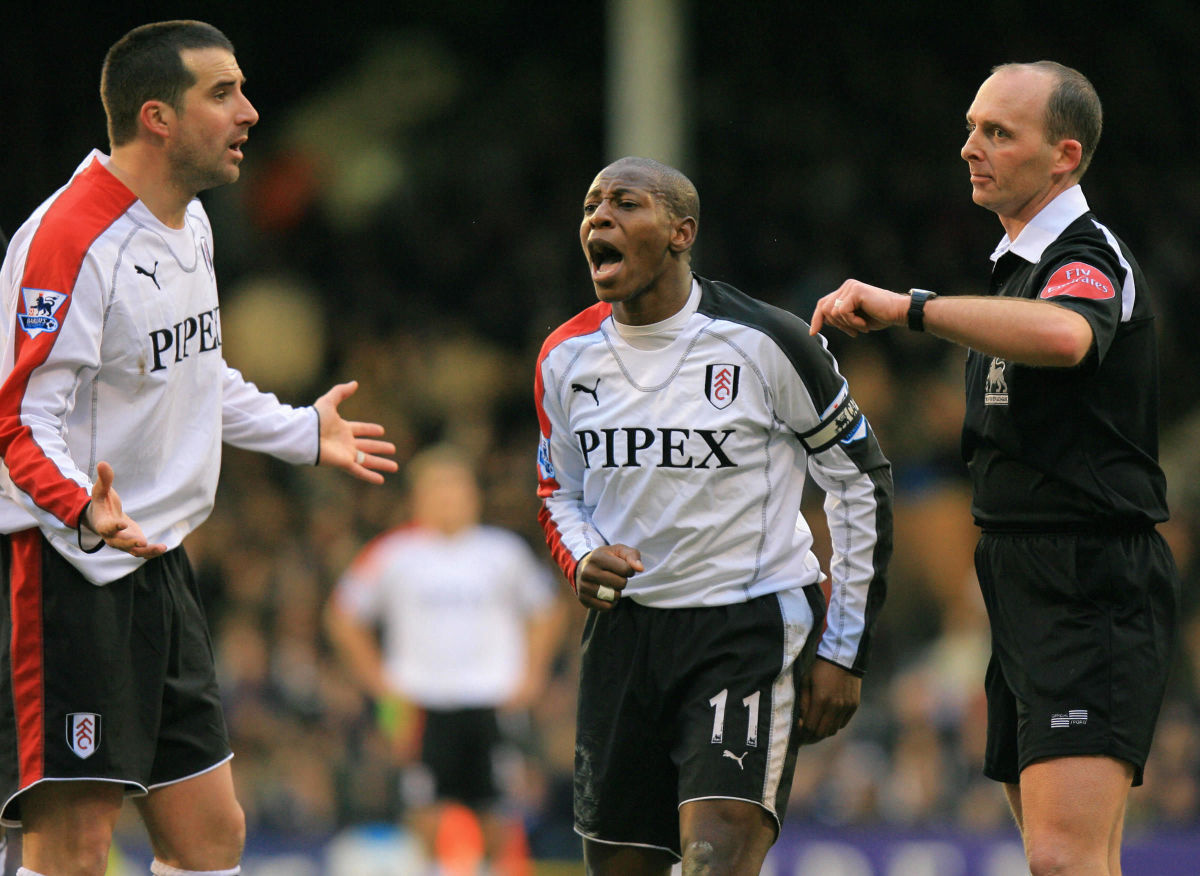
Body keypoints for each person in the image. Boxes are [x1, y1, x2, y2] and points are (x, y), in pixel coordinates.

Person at [0, 20, 397, 876]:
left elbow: (197, 376)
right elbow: (17, 423)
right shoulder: (69, 240)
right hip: (67, 572)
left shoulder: (191, 225)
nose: (249, 112)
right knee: (72, 844)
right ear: (157, 118)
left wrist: (301, 431)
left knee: (212, 837)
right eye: (223, 93)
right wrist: (81, 508)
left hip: (159, 567)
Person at [810, 61, 1179, 876]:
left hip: (1088, 577)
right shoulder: (1014, 263)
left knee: (1062, 857)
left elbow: (1067, 336)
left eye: (998, 132)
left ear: (1064, 156)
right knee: (1066, 859)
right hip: (1021, 574)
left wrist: (911, 308)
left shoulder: (1087, 255)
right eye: (973, 126)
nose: (970, 146)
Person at [534, 156, 893, 874]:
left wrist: (844, 648)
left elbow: (860, 482)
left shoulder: (768, 342)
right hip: (626, 637)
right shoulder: (563, 356)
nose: (597, 218)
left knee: (713, 862)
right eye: (590, 206)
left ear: (679, 231)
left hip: (746, 628)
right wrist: (582, 561)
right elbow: (558, 493)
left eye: (624, 204)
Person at [325, 444, 566, 873]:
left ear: (473, 495)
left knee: (497, 812)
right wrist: (381, 684)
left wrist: (532, 676)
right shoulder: (394, 554)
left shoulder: (502, 552)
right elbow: (343, 617)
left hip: (491, 700)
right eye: (437, 488)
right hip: (419, 703)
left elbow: (547, 611)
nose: (448, 497)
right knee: (423, 812)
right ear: (417, 498)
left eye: (455, 487)